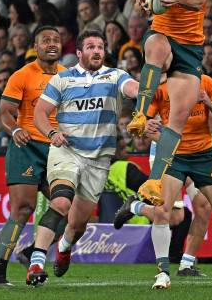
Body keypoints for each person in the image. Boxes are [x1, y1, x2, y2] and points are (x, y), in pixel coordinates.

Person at [26, 30, 139, 286]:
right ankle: (36, 263)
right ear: (79, 53)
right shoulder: (62, 79)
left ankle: (64, 247)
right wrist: (52, 132)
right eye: (90, 47)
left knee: (77, 225)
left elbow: (132, 88)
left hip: (98, 160)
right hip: (66, 151)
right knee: (61, 203)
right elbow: (40, 114)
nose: (97, 51)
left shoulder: (115, 76)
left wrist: (143, 89)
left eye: (100, 47)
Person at [114, 73, 212, 289]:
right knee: (170, 214)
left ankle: (196, 264)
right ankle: (163, 272)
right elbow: (142, 123)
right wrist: (148, 129)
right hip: (170, 155)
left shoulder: (205, 82)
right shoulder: (159, 86)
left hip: (202, 155)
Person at [125, 0, 212, 206]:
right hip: (163, 35)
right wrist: (149, 1)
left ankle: (154, 180)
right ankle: (140, 114)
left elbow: (197, 0)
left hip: (191, 49)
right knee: (156, 45)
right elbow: (143, 2)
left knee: (178, 119)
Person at [0, 26, 66, 287]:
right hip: (27, 147)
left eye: (56, 40)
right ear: (35, 46)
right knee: (22, 209)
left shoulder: (69, 76)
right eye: (46, 40)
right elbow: (6, 113)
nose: (51, 44)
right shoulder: (22, 75)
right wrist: (16, 128)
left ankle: (32, 253)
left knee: (71, 213)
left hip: (57, 149)